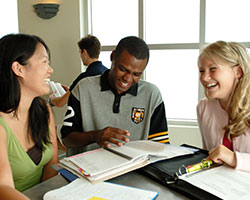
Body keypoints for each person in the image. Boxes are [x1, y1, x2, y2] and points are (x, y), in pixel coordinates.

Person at [61, 36, 169, 156]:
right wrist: (95, 136)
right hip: (89, 171)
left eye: (136, 74)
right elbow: (67, 138)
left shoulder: (152, 95)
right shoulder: (83, 88)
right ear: (112, 57)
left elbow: (160, 147)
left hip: (134, 171)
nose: (127, 79)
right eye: (123, 69)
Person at [0, 33, 58, 197]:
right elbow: (3, 188)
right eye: (44, 62)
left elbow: (52, 166)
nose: (50, 70)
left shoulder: (43, 110)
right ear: (19, 68)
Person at [197, 40, 250, 172]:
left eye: (213, 69)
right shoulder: (204, 107)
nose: (204, 78)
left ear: (238, 72)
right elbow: (207, 154)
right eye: (201, 71)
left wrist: (233, 158)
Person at [50, 34, 108, 107]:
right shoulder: (107, 72)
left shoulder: (84, 78)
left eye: (80, 52)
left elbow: (60, 103)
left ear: (84, 52)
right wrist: (72, 90)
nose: (80, 56)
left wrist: (52, 98)